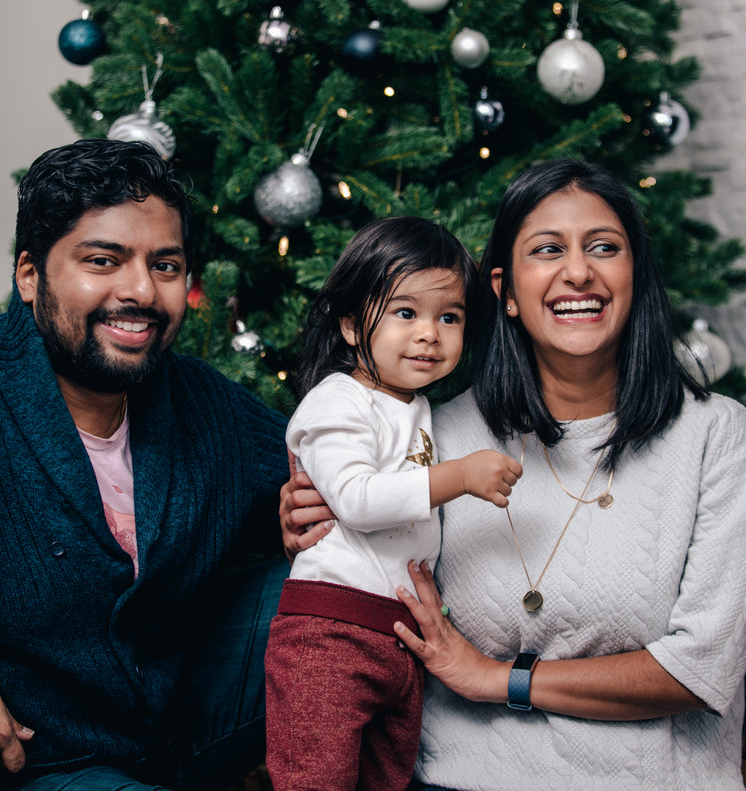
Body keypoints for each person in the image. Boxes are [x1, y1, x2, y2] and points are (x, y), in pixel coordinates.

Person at [282, 158, 746, 791]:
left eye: (604, 248)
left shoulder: (717, 436)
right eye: (548, 249)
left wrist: (500, 679)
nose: (578, 271)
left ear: (634, 272)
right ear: (503, 289)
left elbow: (702, 669)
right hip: (458, 779)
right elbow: (356, 522)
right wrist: (309, 514)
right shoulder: (434, 433)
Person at [0, 138, 289, 791]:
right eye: (103, 260)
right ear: (29, 275)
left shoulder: (200, 402)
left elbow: (332, 469)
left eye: (164, 266)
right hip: (48, 762)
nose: (140, 291)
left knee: (343, 574)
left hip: (180, 724)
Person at [264, 217, 521, 791]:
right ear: (353, 325)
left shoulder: (416, 407)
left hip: (400, 638)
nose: (429, 334)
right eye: (406, 313)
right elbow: (355, 499)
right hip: (331, 631)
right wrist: (459, 475)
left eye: (448, 317)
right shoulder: (338, 401)